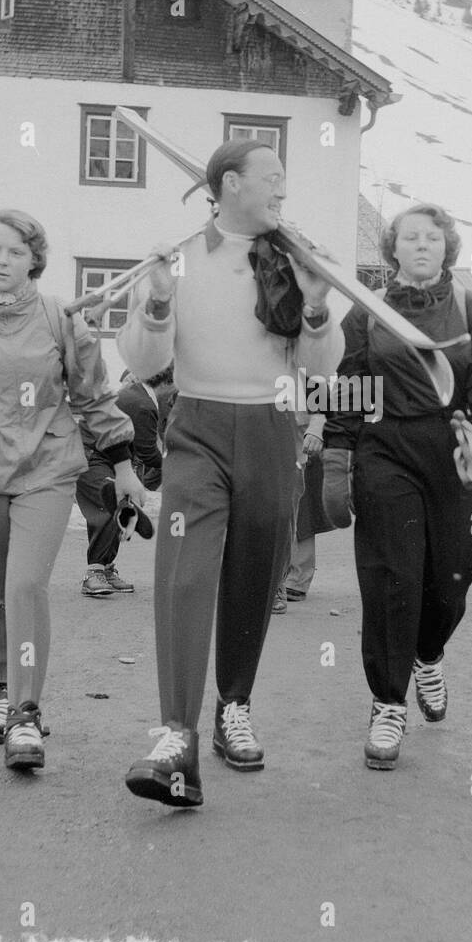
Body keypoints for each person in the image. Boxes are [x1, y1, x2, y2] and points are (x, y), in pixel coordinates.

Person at [118, 137, 339, 807]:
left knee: (254, 576)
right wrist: (156, 301)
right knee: (185, 575)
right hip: (199, 429)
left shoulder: (293, 259)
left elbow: (324, 369)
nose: (281, 192)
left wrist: (320, 304)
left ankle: (232, 707)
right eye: (273, 180)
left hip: (273, 428)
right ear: (233, 184)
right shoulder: (178, 258)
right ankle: (176, 741)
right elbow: (140, 357)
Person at [0, 211, 141, 771]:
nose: (2, 260)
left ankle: (25, 713)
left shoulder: (61, 321)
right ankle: (2, 689)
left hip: (47, 468)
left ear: (34, 260)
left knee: (23, 585)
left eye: (15, 252)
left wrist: (125, 468)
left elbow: (93, 397)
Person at [323, 203, 472, 770]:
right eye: (411, 237)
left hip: (450, 452)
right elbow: (345, 387)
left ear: (447, 248)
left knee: (452, 579)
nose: (423, 245)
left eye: (433, 238)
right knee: (392, 578)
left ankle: (427, 656)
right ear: (394, 249)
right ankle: (387, 702)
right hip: (385, 450)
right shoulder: (367, 314)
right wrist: (337, 455)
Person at [75, 339, 164, 597]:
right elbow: (148, 452)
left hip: (104, 456)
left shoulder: (142, 398)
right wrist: (174, 473)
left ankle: (105, 568)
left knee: (117, 504)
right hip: (91, 456)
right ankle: (93, 573)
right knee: (109, 504)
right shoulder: (142, 403)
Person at [282, 412, 328, 603]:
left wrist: (317, 424)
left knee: (303, 503)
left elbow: (318, 384)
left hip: (301, 426)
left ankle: (298, 576)